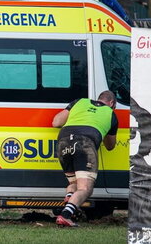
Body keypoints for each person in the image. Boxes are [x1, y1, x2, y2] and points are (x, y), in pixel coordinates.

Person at [52, 90, 118, 227]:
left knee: (74, 183)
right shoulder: (111, 114)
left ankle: (70, 198)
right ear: (112, 103)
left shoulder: (79, 102)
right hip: (85, 142)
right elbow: (110, 146)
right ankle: (65, 215)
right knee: (85, 188)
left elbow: (56, 122)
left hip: (63, 140)